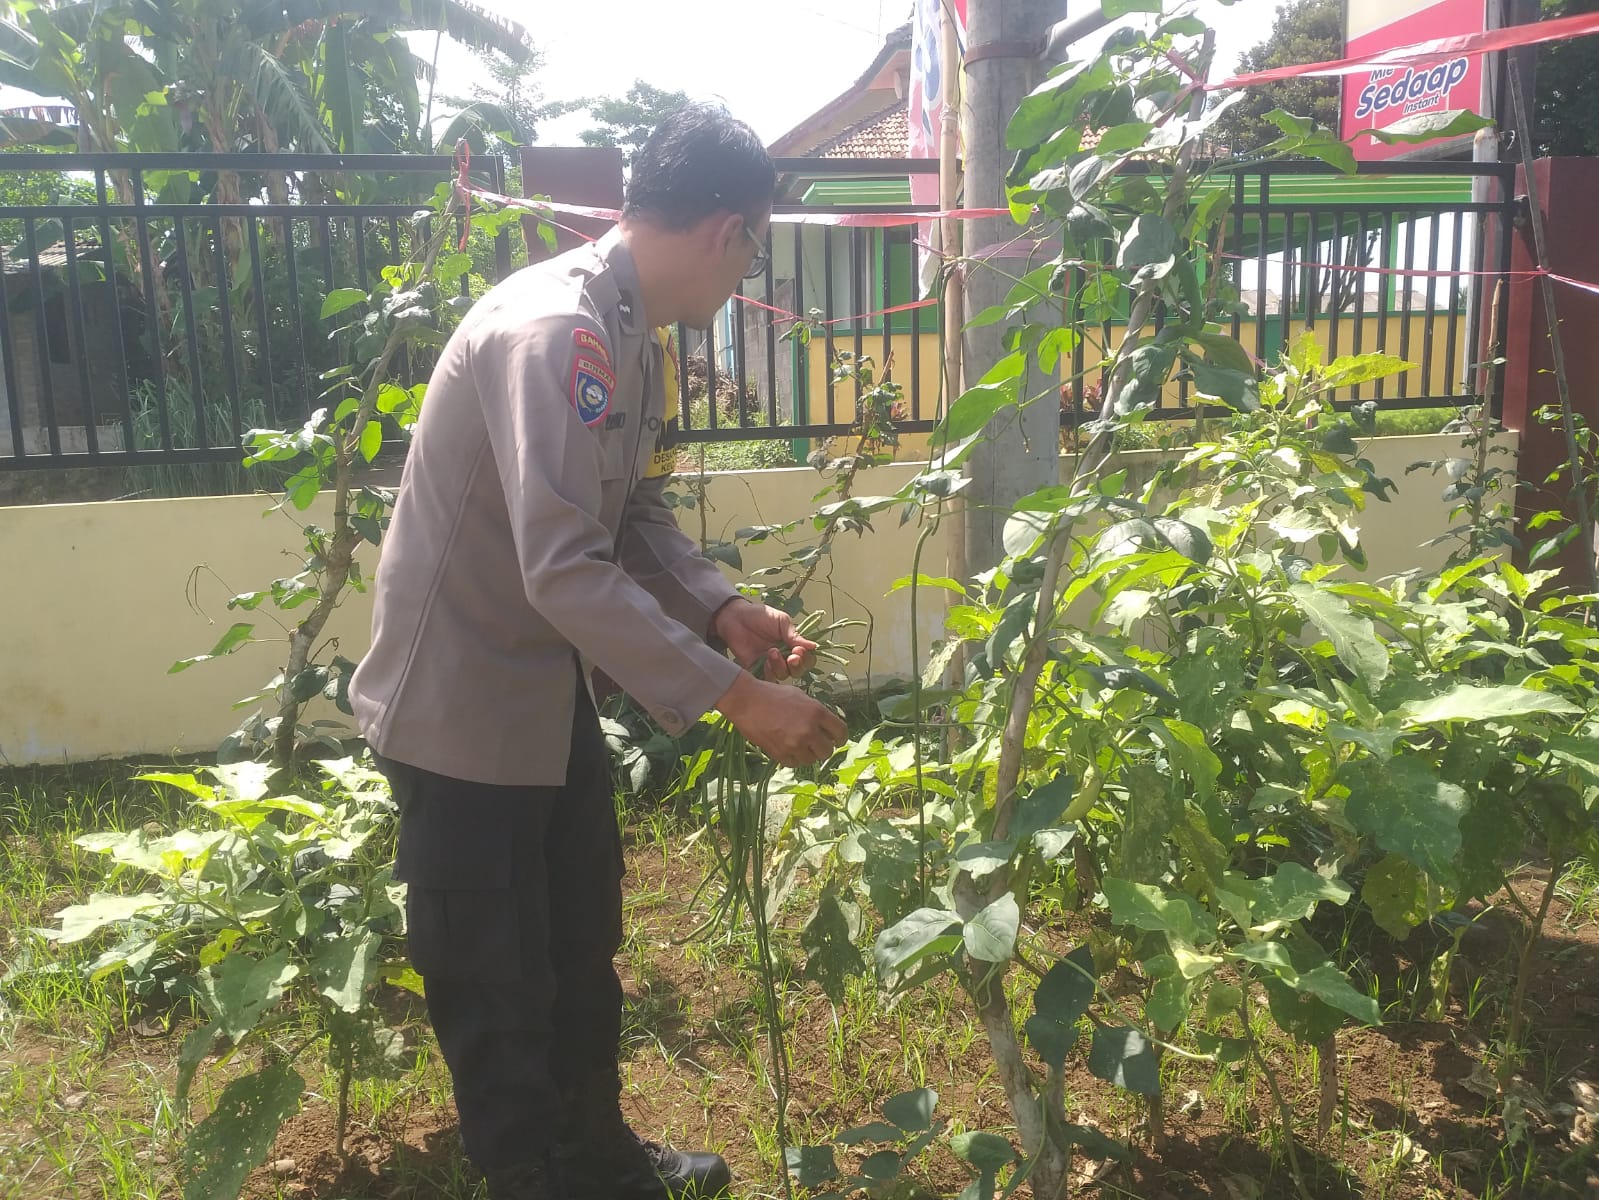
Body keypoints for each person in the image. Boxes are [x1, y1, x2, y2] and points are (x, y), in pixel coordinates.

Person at [349, 103, 849, 1200]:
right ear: (728, 232)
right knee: (494, 975)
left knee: (581, 944)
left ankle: (601, 1156)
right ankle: (532, 1176)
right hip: (460, 703)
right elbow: (564, 565)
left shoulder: (631, 340)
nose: (743, 272)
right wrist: (735, 698)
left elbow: (634, 516)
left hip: (540, 688)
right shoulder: (556, 333)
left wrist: (720, 608)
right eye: (753, 248)